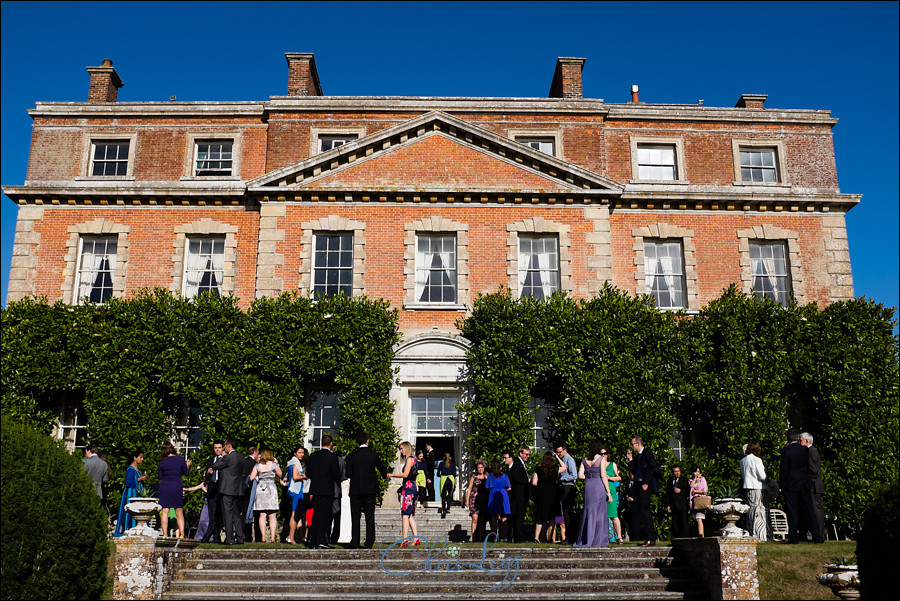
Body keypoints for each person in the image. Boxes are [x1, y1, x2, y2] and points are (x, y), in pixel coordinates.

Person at [345, 432, 388, 549]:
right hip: (369, 489)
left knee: (355, 516)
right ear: (367, 441)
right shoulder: (373, 455)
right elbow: (382, 470)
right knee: (369, 516)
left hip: (356, 489)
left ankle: (355, 541)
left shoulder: (352, 456)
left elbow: (347, 473)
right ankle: (369, 542)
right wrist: (385, 475)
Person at [780, 428, 821, 544]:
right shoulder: (805, 450)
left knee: (792, 511)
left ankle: (793, 537)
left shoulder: (786, 451)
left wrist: (783, 484)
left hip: (791, 484)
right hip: (803, 483)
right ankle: (817, 536)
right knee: (809, 510)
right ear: (798, 438)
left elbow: (784, 469)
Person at [573, 439, 611, 548]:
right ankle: (596, 540)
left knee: (588, 511)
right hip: (598, 485)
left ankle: (586, 538)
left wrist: (589, 476)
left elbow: (580, 475)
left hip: (588, 486)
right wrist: (608, 492)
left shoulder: (584, 460)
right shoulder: (601, 459)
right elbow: (603, 476)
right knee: (599, 513)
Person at [306, 434, 342, 549]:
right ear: (330, 444)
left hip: (316, 488)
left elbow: (308, 473)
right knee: (324, 516)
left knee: (316, 514)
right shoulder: (332, 457)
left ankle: (313, 541)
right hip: (327, 489)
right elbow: (337, 474)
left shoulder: (313, 456)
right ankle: (321, 541)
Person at [210, 438, 245, 545]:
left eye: (225, 445)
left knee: (227, 515)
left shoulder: (228, 457)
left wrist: (223, 456)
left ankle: (230, 538)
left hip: (227, 489)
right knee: (236, 515)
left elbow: (216, 465)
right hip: (237, 489)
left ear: (229, 446)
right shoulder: (241, 458)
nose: (224, 448)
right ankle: (240, 537)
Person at [630, 436, 661, 546]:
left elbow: (653, 467)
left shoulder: (647, 453)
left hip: (645, 485)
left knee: (645, 511)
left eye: (632, 444)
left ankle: (651, 537)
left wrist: (646, 482)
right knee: (642, 511)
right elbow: (634, 470)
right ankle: (649, 536)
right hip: (639, 485)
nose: (631, 446)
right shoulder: (638, 456)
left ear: (638, 444)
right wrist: (630, 460)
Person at [389, 440, 421, 546]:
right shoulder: (414, 460)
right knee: (410, 514)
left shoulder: (409, 459)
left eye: (401, 448)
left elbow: (406, 474)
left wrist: (392, 475)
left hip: (408, 487)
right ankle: (416, 538)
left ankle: (405, 539)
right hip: (414, 487)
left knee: (405, 514)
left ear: (406, 448)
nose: (400, 451)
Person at [158, 441, 191, 538]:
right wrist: (187, 466)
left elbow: (160, 476)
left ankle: (165, 534)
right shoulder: (180, 459)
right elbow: (186, 472)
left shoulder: (162, 461)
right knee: (179, 511)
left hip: (165, 486)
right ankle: (181, 534)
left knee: (165, 511)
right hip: (176, 486)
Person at [249, 448, 281, 543]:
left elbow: (251, 477)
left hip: (261, 489)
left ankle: (263, 536)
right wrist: (277, 464)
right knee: (272, 515)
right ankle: (272, 537)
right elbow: (280, 474)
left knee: (262, 514)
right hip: (271, 488)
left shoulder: (258, 465)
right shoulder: (274, 465)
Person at [114, 450, 147, 536]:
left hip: (136, 493)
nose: (142, 459)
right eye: (140, 457)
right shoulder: (130, 469)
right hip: (131, 493)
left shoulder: (137, 469)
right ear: (135, 458)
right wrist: (140, 479)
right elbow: (128, 482)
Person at [531, 451, 561, 543]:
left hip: (541, 495)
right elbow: (565, 467)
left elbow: (534, 482)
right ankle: (549, 537)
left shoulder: (539, 469)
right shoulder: (555, 469)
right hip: (553, 495)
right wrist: (557, 457)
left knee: (540, 518)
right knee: (551, 518)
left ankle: (536, 537)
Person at [801, 432, 826, 543]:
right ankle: (816, 534)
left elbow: (814, 470)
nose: (799, 443)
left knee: (815, 511)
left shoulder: (811, 451)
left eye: (801, 441)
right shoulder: (811, 451)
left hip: (813, 485)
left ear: (807, 441)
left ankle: (818, 535)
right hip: (814, 484)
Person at [741, 442, 768, 541]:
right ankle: (760, 534)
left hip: (748, 487)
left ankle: (751, 532)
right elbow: (762, 476)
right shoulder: (757, 460)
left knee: (751, 510)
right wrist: (769, 481)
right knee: (759, 510)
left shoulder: (743, 461)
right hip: (757, 487)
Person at [200, 442, 224, 543]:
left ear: (222, 448)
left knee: (218, 515)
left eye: (219, 448)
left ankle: (207, 537)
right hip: (212, 488)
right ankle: (216, 537)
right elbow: (206, 477)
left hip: (221, 488)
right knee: (212, 514)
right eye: (215, 448)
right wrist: (208, 474)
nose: (217, 450)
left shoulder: (224, 460)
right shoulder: (211, 460)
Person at [284, 446, 308, 544]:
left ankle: (298, 536)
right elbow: (295, 476)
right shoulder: (295, 462)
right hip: (296, 489)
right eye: (299, 452)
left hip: (293, 489)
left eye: (302, 453)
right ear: (295, 453)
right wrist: (305, 476)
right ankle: (291, 536)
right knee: (295, 514)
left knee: (298, 513)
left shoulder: (291, 461)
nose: (301, 454)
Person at [554, 443, 577, 544]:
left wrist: (561, 478)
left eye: (560, 452)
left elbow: (574, 475)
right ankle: (568, 536)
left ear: (565, 450)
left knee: (568, 513)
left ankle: (570, 536)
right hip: (563, 487)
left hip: (568, 486)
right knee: (564, 513)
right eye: (557, 452)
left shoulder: (569, 460)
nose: (558, 454)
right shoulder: (562, 460)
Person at [508, 446, 531, 543]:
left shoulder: (520, 464)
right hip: (518, 495)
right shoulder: (517, 463)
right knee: (518, 517)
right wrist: (527, 481)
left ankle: (518, 536)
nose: (527, 456)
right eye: (526, 454)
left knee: (518, 516)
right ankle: (518, 537)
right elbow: (515, 477)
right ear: (520, 453)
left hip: (520, 495)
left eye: (529, 454)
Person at [485, 459, 511, 541]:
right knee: (504, 517)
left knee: (493, 518)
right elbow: (509, 487)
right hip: (503, 494)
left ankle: (494, 536)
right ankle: (503, 537)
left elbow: (487, 487)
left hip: (493, 494)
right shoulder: (504, 476)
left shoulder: (490, 476)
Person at [465, 459, 488, 542]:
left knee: (482, 520)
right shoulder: (474, 477)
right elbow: (469, 489)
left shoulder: (486, 477)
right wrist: (467, 500)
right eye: (479, 467)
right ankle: (474, 537)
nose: (480, 469)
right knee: (475, 518)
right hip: (474, 500)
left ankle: (480, 538)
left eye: (482, 467)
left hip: (483, 500)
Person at [605, 448, 625, 544]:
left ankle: (619, 537)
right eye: (601, 454)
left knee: (614, 515)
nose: (603, 455)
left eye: (605, 453)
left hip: (611, 491)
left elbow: (619, 477)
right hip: (600, 491)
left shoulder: (612, 465)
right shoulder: (598, 465)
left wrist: (610, 478)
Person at [666, 465, 690, 539]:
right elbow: (668, 494)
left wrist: (680, 491)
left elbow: (688, 491)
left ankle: (685, 538)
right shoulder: (670, 481)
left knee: (683, 522)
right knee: (675, 523)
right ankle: (677, 538)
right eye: (675, 471)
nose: (677, 473)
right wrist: (668, 505)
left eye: (678, 471)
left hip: (682, 505)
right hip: (674, 505)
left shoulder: (684, 480)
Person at [242, 446, 260, 543]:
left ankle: (244, 535)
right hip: (250, 490)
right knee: (249, 513)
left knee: (244, 512)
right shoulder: (254, 464)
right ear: (255, 452)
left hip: (242, 490)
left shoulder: (244, 461)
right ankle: (247, 536)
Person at [689, 465, 709, 538]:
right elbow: (690, 487)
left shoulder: (703, 479)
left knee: (699, 518)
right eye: (695, 471)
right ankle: (700, 534)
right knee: (697, 519)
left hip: (700, 501)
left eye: (698, 471)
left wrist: (696, 491)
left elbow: (705, 491)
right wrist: (695, 479)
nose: (697, 473)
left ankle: (701, 535)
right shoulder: (691, 480)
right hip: (694, 502)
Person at [438, 452, 457, 518]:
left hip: (444, 479)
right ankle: (448, 508)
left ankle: (443, 508)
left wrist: (440, 475)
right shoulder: (453, 464)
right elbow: (454, 473)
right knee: (449, 495)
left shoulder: (441, 464)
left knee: (443, 495)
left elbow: (438, 473)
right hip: (451, 479)